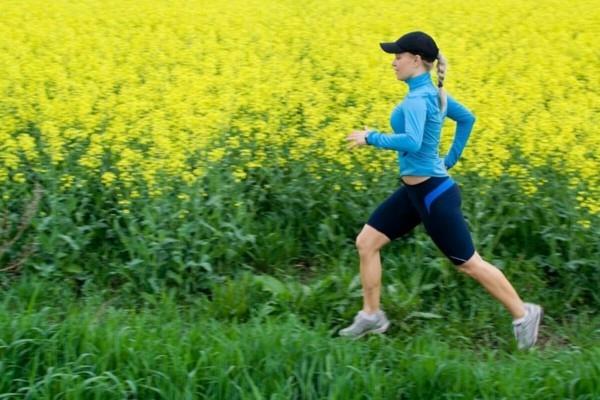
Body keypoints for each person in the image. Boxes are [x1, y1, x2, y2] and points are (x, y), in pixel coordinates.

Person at [341, 31, 543, 349]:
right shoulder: (432, 94)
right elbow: (467, 119)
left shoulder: (420, 98)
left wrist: (372, 137)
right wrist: (450, 158)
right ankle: (371, 315)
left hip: (434, 195)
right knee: (367, 243)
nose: (393, 62)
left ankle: (523, 314)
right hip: (413, 194)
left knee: (468, 263)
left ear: (417, 60)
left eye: (398, 56)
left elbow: (413, 141)